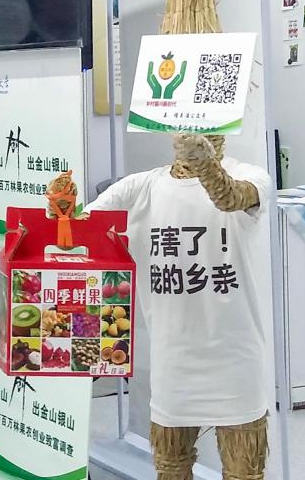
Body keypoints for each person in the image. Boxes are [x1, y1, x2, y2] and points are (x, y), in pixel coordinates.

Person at [90, 133, 270, 480]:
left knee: (244, 472)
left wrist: (206, 166)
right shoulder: (143, 187)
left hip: (235, 359)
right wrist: (60, 212)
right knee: (171, 465)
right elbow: (85, 225)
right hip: (173, 361)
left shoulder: (250, 174)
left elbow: (231, 197)